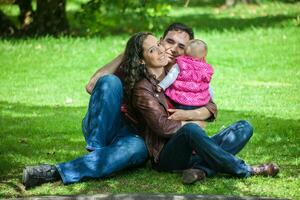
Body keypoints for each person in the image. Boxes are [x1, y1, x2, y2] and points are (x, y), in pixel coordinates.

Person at [22, 22, 213, 189]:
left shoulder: (184, 76)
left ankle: (54, 172)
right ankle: (97, 151)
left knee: (136, 149)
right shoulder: (138, 63)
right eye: (169, 41)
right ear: (161, 40)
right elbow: (92, 85)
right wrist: (130, 53)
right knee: (109, 81)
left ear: (188, 50)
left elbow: (211, 108)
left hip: (136, 138)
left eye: (181, 46)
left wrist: (192, 118)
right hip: (106, 124)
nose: (172, 49)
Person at [122, 32, 279, 184]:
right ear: (141, 60)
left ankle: (201, 170)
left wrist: (190, 114)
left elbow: (210, 106)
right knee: (191, 130)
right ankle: (245, 169)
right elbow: (163, 127)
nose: (160, 49)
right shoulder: (143, 89)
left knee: (244, 127)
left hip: (195, 147)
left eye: (157, 44)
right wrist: (194, 124)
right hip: (167, 156)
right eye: (151, 50)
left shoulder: (177, 71)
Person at [157, 39, 213, 110]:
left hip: (180, 100)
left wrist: (162, 85)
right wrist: (211, 97)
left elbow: (171, 77)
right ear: (204, 56)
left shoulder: (180, 64)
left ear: (185, 52)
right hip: (198, 103)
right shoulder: (205, 68)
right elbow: (207, 85)